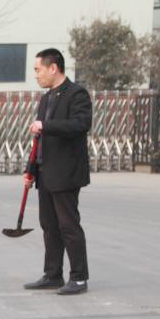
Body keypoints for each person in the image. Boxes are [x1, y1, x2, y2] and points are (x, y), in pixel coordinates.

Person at [22, 48, 92, 295]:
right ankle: (53, 275)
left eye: (38, 70)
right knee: (49, 225)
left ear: (53, 68)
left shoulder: (77, 94)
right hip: (45, 173)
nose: (36, 75)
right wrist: (30, 170)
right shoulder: (46, 99)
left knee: (68, 226)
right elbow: (40, 140)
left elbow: (80, 124)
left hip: (66, 172)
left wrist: (46, 125)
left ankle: (79, 278)